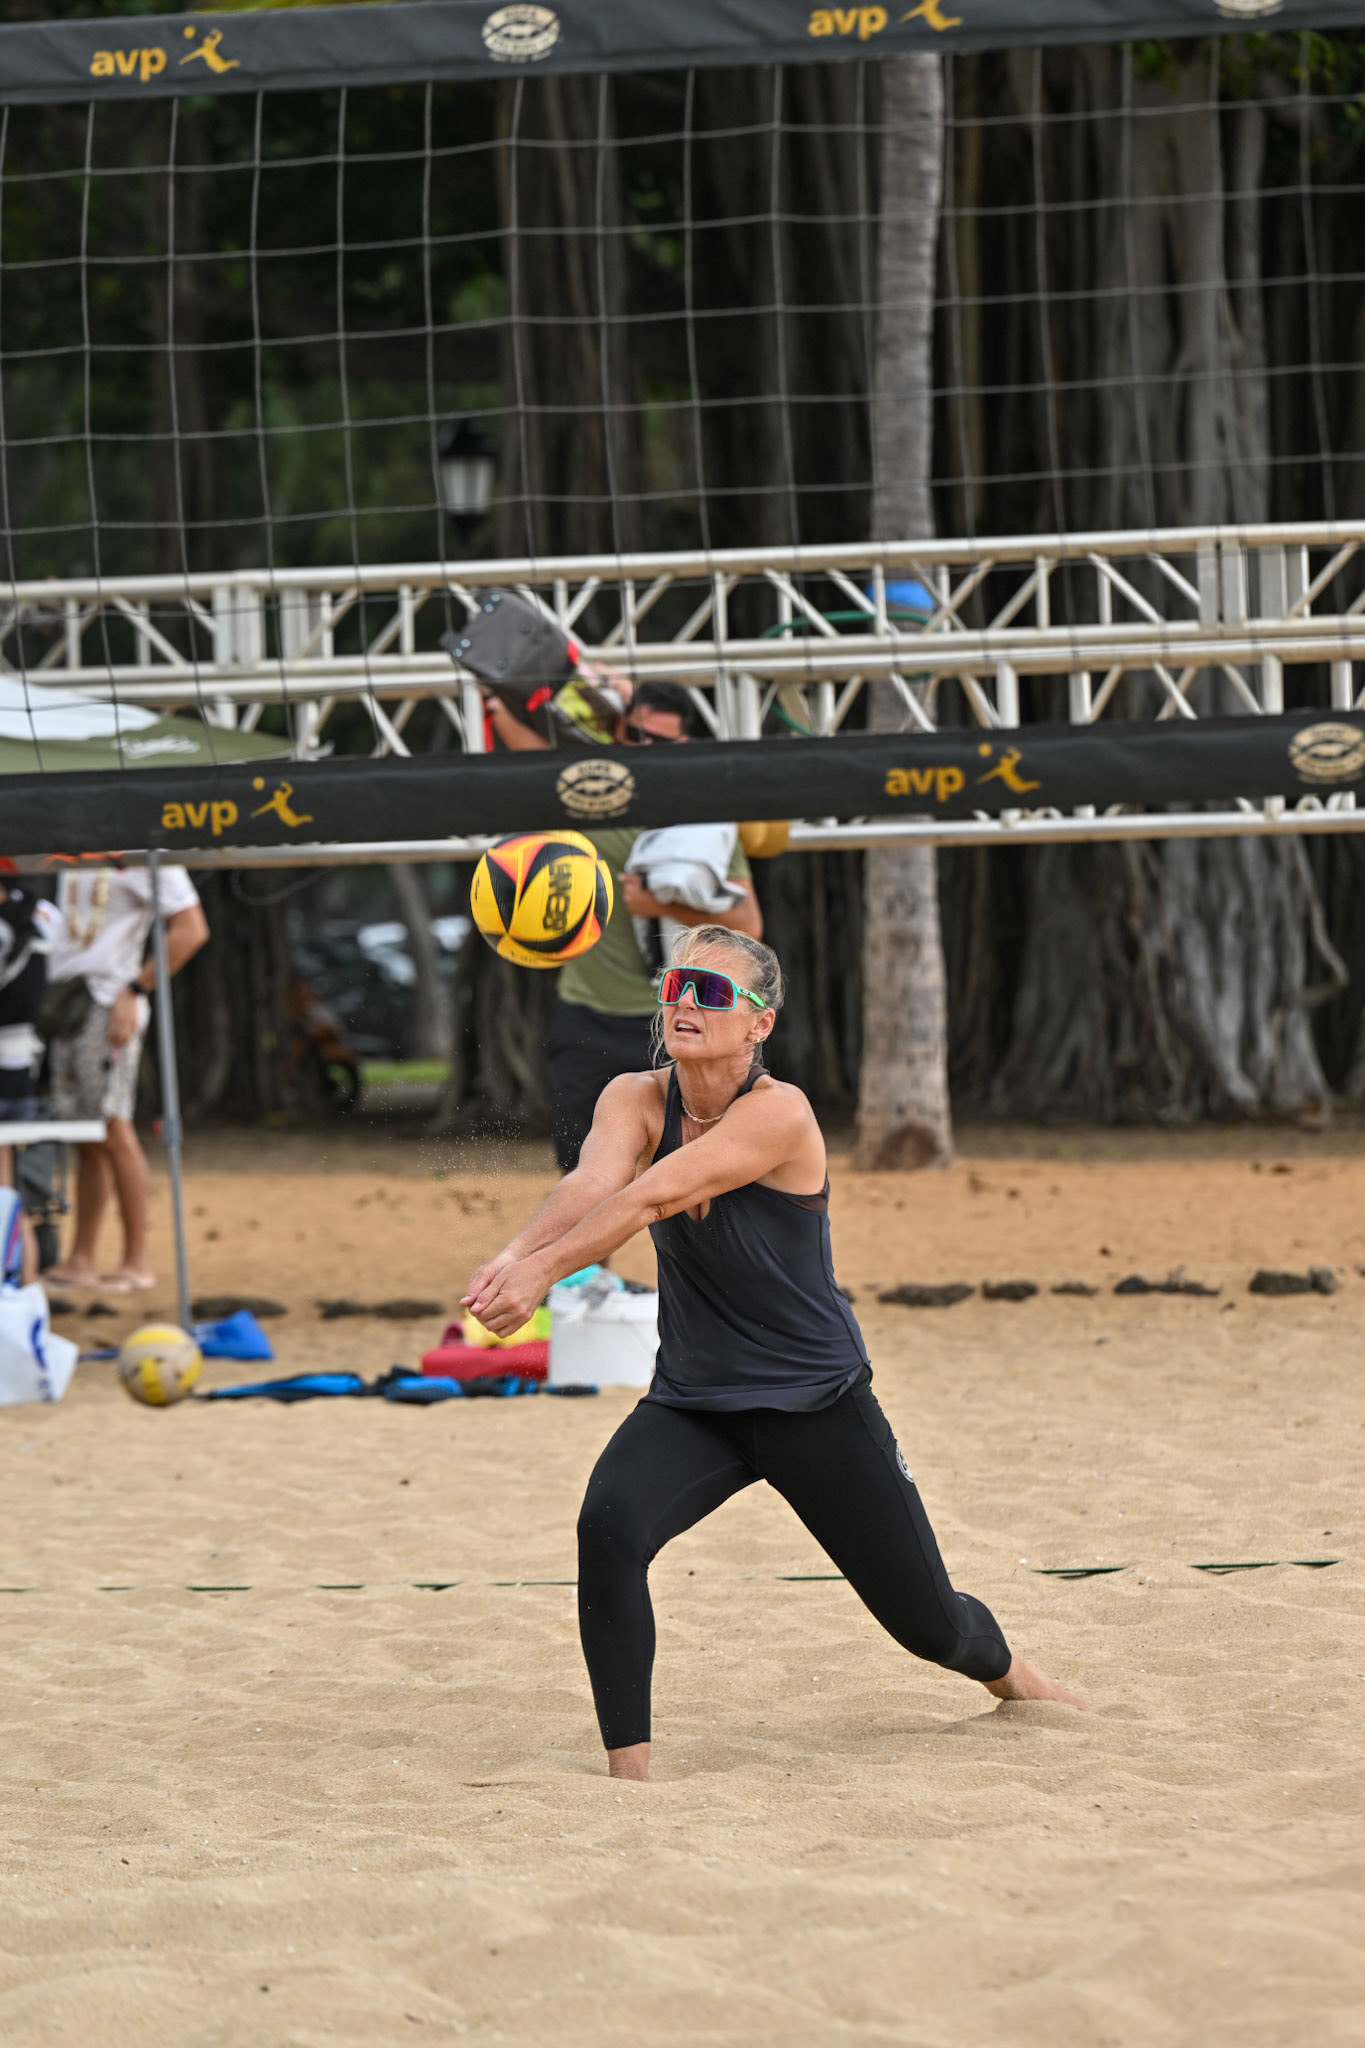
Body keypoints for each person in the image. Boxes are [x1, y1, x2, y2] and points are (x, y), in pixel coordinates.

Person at [463, 926, 1087, 1781]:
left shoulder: (779, 1112)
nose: (685, 1001)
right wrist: (511, 1257)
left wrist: (540, 1276)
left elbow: (653, 1197)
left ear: (759, 1024)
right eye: (676, 984)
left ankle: (1017, 1681)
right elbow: (592, 1184)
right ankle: (628, 1780)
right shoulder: (633, 1097)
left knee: (930, 1628)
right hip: (694, 1402)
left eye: (712, 991)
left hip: (814, 1403)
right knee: (608, 1530)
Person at [484, 673, 762, 1171]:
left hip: (678, 1022)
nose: (645, 748)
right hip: (585, 1018)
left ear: (683, 746)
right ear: (616, 732)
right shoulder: (587, 797)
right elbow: (524, 737)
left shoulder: (701, 822)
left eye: (660, 741)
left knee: (682, 1181)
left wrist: (660, 907)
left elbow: (749, 923)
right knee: (583, 1176)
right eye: (635, 735)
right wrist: (498, 698)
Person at [45, 863, 208, 1292]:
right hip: (67, 1002)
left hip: (107, 1001)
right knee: (85, 1135)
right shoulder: (70, 847)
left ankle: (137, 1260)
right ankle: (82, 1258)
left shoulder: (137, 849)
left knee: (114, 1126)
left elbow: (191, 928)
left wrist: (136, 989)